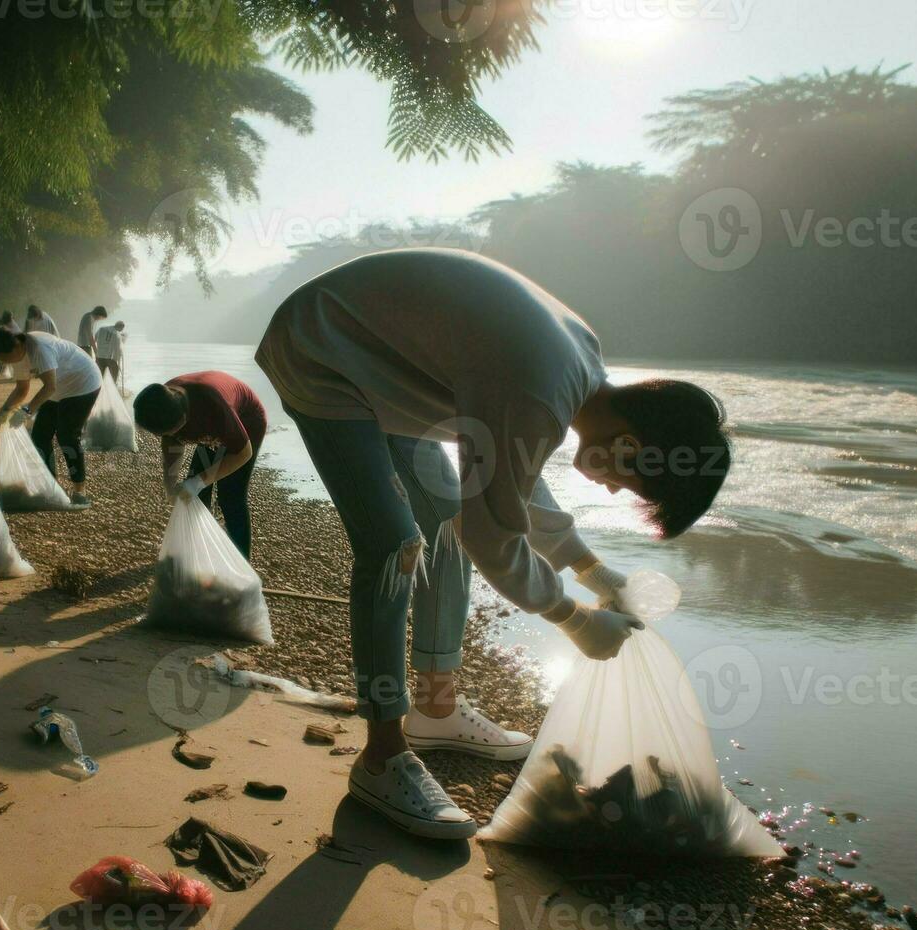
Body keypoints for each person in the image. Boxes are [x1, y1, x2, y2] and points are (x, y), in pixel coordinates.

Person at [255, 248, 732, 839]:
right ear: (629, 443)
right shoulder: (540, 388)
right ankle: (381, 755)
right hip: (323, 349)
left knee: (450, 530)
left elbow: (504, 480)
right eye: (623, 481)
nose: (609, 490)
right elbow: (495, 528)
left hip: (388, 361)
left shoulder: (575, 372)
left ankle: (437, 709)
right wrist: (574, 619)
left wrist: (590, 570)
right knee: (392, 547)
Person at [133, 371, 266, 558]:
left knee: (230, 497)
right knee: (193, 495)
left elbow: (243, 453)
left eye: (173, 432)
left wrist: (198, 482)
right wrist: (170, 484)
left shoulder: (214, 409)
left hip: (247, 421)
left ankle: (242, 561)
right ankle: (200, 550)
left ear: (184, 420)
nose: (171, 437)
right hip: (210, 424)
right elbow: (171, 444)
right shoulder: (162, 401)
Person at [0, 328, 101, 508]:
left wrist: (26, 411)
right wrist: (4, 411)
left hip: (84, 383)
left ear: (16, 346)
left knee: (67, 436)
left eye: (6, 359)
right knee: (40, 435)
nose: (7, 363)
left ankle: (80, 492)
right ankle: (51, 486)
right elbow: (21, 389)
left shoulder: (39, 348)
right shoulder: (17, 354)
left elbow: (49, 386)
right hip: (59, 388)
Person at [93, 318, 125, 388]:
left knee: (99, 375)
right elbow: (117, 351)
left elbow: (94, 339)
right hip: (109, 358)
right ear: (121, 328)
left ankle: (98, 388)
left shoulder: (101, 329)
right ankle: (114, 386)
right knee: (115, 371)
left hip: (99, 357)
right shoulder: (117, 335)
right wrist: (117, 362)